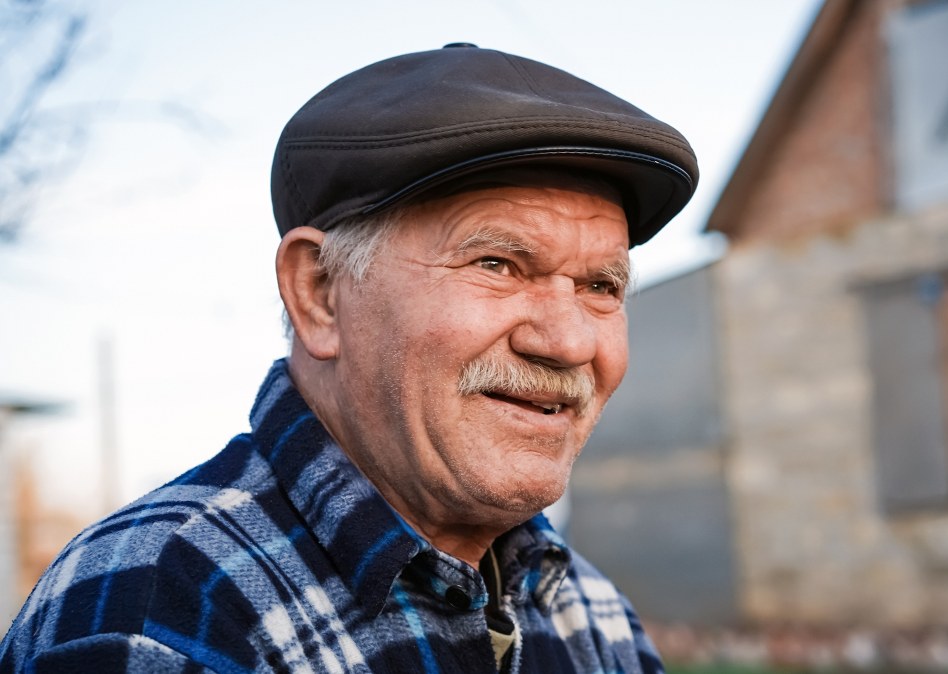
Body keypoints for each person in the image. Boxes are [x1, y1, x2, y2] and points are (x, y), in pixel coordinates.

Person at [0, 43, 697, 673]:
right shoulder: (164, 612)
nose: (571, 341)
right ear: (320, 294)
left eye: (601, 286)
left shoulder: (585, 605)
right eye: (498, 264)